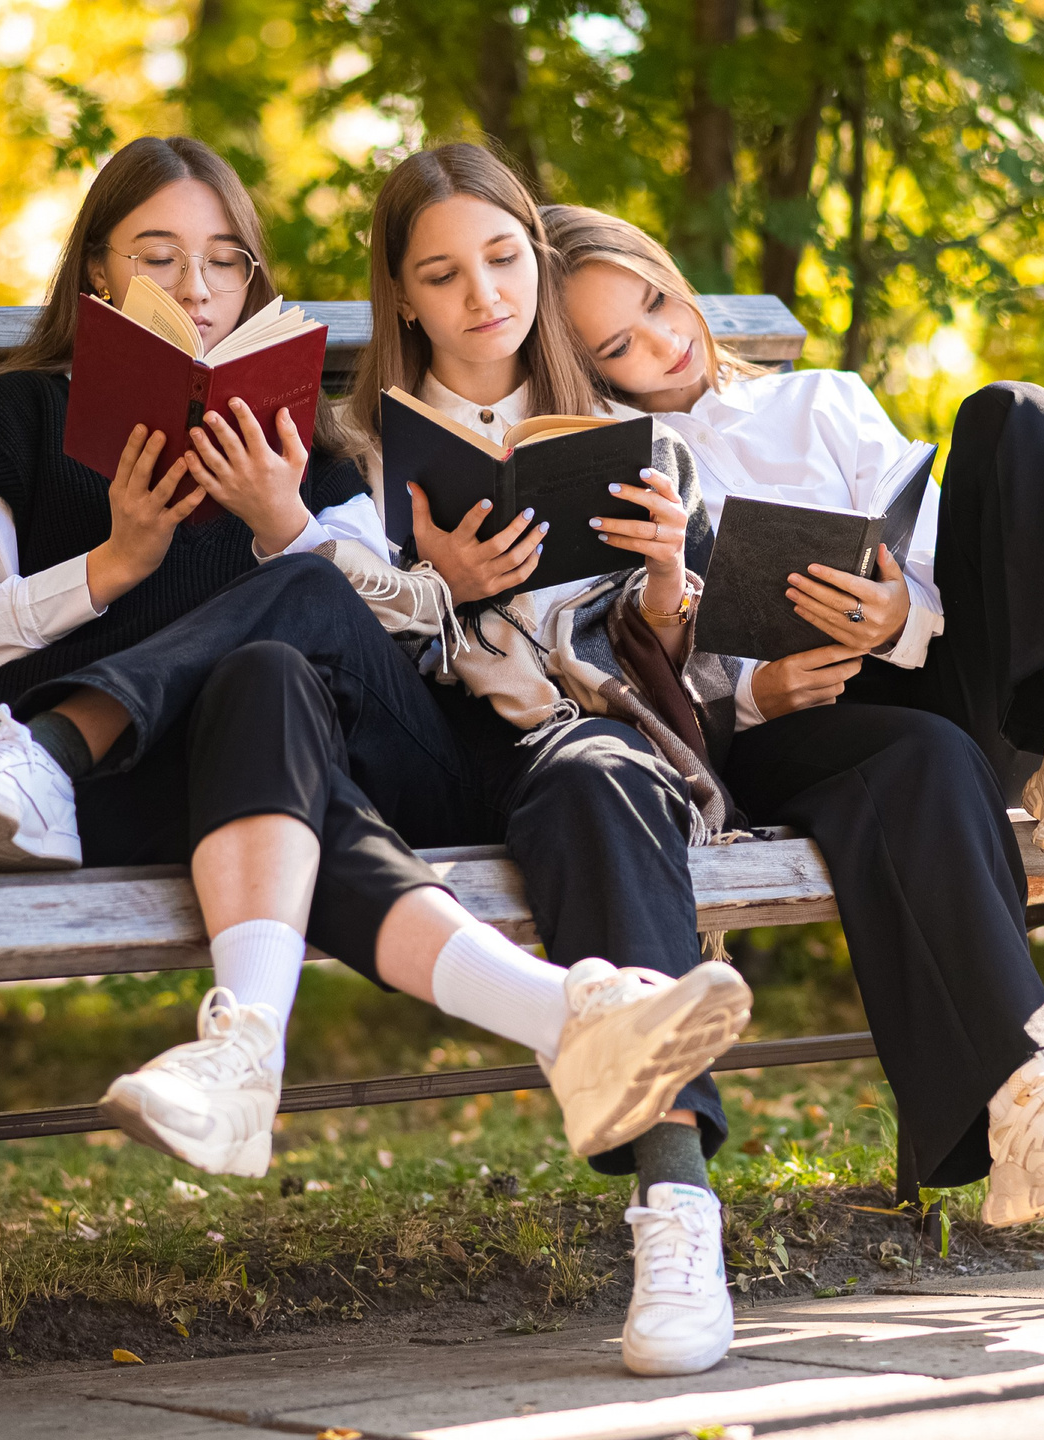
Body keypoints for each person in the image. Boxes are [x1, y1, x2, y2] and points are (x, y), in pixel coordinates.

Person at [0, 137, 750, 1203]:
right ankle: (56, 752)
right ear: (96, 273)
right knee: (299, 616)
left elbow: (367, 632)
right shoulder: (13, 422)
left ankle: (244, 1046)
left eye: (224, 260)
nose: (196, 288)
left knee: (278, 643)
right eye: (157, 258)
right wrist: (109, 568)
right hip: (76, 806)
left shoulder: (302, 434)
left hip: (258, 781)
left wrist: (282, 522)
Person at [538, 203, 1044, 1231]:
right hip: (782, 735)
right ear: (588, 369)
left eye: (657, 303)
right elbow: (628, 670)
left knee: (1012, 412)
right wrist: (760, 691)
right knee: (914, 759)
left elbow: (927, 563)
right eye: (620, 344)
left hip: (923, 675)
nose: (661, 340)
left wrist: (895, 613)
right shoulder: (614, 469)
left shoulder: (821, 401)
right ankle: (1035, 1104)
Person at [320, 143, 753, 1377]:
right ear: (402, 297)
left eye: (503, 259)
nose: (483, 296)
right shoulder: (353, 451)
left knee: (600, 776)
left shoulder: (635, 436)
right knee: (558, 753)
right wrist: (430, 584)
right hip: (417, 756)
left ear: (534, 257)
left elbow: (689, 671)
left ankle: (676, 1209)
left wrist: (672, 579)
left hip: (567, 738)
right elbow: (319, 637)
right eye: (442, 275)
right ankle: (670, 1189)